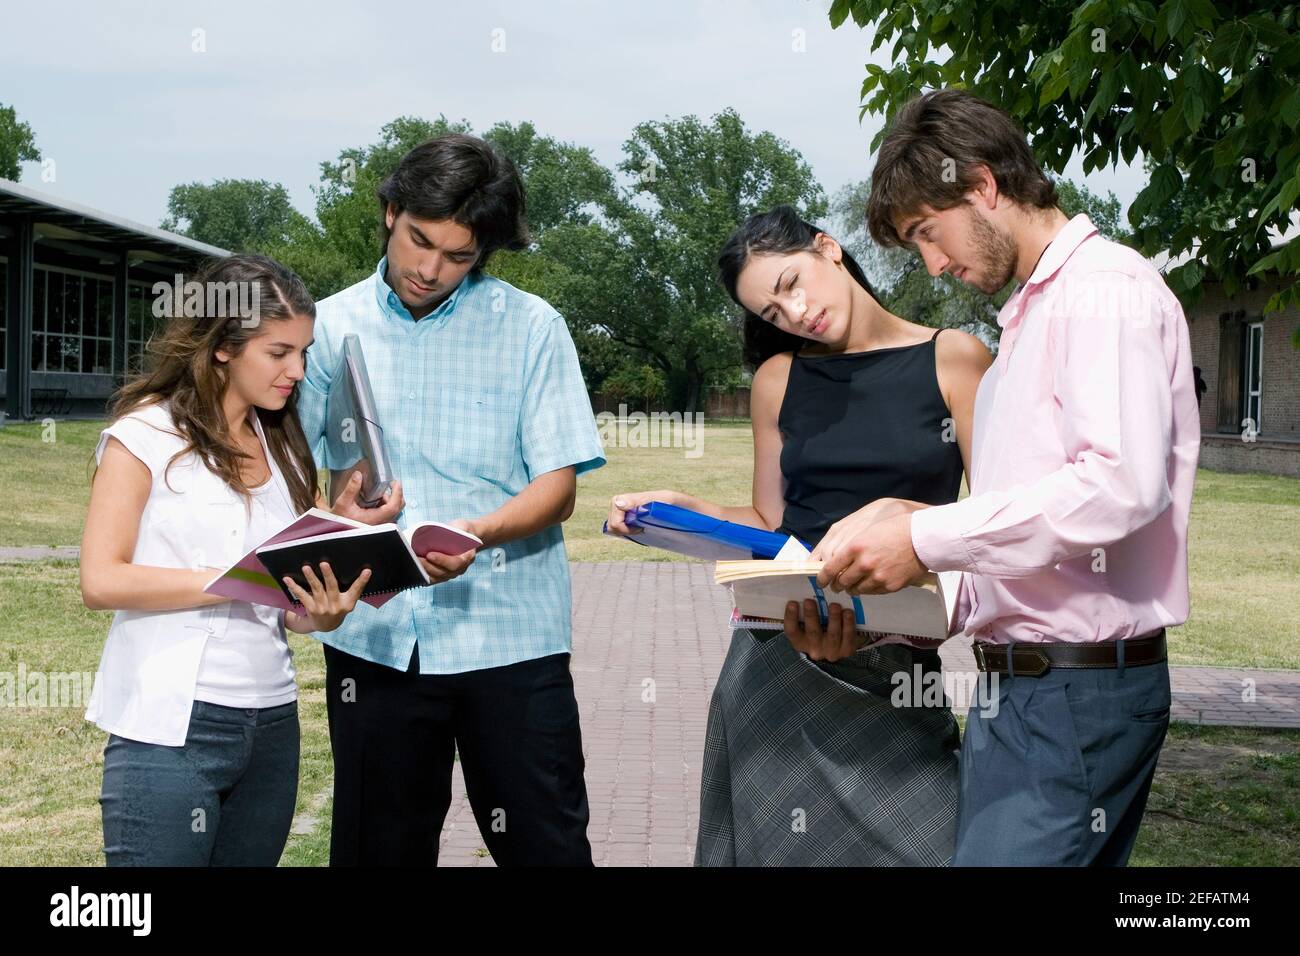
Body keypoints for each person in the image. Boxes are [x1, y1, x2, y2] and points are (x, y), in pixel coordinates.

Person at [820, 88, 1200, 865]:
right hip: (1015, 692)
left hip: (1072, 697)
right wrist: (874, 613)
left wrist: (923, 536)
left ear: (984, 185)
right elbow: (1013, 551)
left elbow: (1119, 486)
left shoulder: (1103, 291)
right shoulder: (1022, 331)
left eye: (928, 232)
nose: (933, 262)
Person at [607, 205, 991, 865]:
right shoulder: (777, 379)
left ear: (828, 248)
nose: (794, 313)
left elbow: (990, 522)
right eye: (772, 313)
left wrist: (910, 529)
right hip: (774, 661)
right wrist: (679, 506)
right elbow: (767, 525)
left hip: (895, 663)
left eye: (791, 284)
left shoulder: (955, 357)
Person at [295, 133, 605, 867]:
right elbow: (292, 470)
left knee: (546, 848)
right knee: (379, 852)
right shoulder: (328, 326)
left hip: (512, 639)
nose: (430, 270)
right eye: (418, 241)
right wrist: (338, 511)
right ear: (390, 213)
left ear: (485, 254)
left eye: (458, 256)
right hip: (375, 639)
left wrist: (479, 532)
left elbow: (556, 487)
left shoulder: (533, 328)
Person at [81, 254, 371, 866]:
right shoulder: (144, 436)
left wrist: (327, 597)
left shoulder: (285, 445)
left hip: (271, 726)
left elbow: (292, 604)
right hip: (168, 730)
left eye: (303, 351)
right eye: (278, 352)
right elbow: (101, 579)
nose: (297, 370)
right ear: (221, 347)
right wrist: (240, 579)